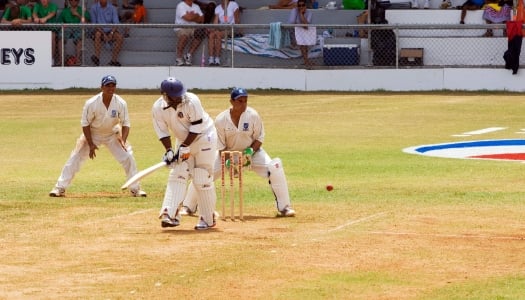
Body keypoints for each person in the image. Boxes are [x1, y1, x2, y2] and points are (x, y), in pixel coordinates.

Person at [181, 88, 296, 218]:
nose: (243, 104)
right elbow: (220, 146)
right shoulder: (221, 120)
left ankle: (285, 207)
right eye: (240, 101)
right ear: (231, 101)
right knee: (204, 172)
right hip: (226, 155)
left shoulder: (253, 115)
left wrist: (250, 152)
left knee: (275, 166)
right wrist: (230, 162)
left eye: (245, 101)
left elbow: (259, 138)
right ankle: (188, 207)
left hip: (252, 153)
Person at [49, 75, 147, 198]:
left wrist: (123, 140)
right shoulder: (91, 103)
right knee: (75, 158)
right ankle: (59, 188)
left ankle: (135, 189)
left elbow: (126, 123)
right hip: (93, 133)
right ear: (101, 87)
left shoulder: (121, 103)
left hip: (112, 134)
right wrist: (90, 143)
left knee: (128, 157)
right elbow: (85, 124)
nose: (110, 88)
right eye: (107, 85)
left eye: (113, 85)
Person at [152, 77, 218, 230]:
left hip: (204, 138)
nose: (178, 98)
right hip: (182, 139)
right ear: (165, 95)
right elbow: (162, 132)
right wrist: (169, 151)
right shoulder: (157, 107)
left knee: (201, 176)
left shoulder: (192, 100)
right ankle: (170, 213)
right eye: (174, 96)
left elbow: (197, 126)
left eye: (179, 94)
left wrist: (185, 146)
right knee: (178, 172)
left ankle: (208, 218)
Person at [56, 0, 90, 66]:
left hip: (78, 28)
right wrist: (63, 25)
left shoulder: (82, 10)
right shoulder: (65, 11)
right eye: (71, 0)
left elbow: (87, 22)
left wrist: (77, 15)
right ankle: (61, 61)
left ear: (78, 1)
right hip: (67, 28)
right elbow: (59, 23)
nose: (74, 1)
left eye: (76, 0)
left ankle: (77, 60)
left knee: (80, 37)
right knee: (60, 37)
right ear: (69, 1)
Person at [90, 0, 124, 66]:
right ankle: (97, 58)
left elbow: (116, 23)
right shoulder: (93, 8)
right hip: (99, 30)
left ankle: (113, 60)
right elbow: (94, 24)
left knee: (120, 37)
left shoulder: (112, 8)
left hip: (111, 31)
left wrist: (111, 33)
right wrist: (103, 34)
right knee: (97, 34)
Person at [207, 0, 240, 66]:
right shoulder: (218, 8)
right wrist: (212, 29)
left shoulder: (234, 4)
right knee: (211, 35)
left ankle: (217, 59)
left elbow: (237, 20)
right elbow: (216, 23)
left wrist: (238, 30)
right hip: (221, 27)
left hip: (231, 28)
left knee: (218, 35)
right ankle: (211, 59)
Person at [174, 0, 204, 66]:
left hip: (193, 27)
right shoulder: (181, 5)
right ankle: (179, 58)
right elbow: (188, 18)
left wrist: (192, 16)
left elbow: (202, 19)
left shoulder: (196, 6)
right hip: (182, 27)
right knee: (184, 35)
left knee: (200, 32)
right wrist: (196, 16)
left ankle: (188, 55)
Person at [288, 0, 314, 66]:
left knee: (305, 43)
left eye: (303, 5)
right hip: (295, 32)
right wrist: (299, 14)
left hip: (305, 31)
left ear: (306, 6)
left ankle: (306, 61)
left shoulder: (309, 12)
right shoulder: (294, 11)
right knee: (302, 44)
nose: (301, 7)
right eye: (299, 5)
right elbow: (292, 22)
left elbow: (306, 26)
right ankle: (306, 61)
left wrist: (301, 14)